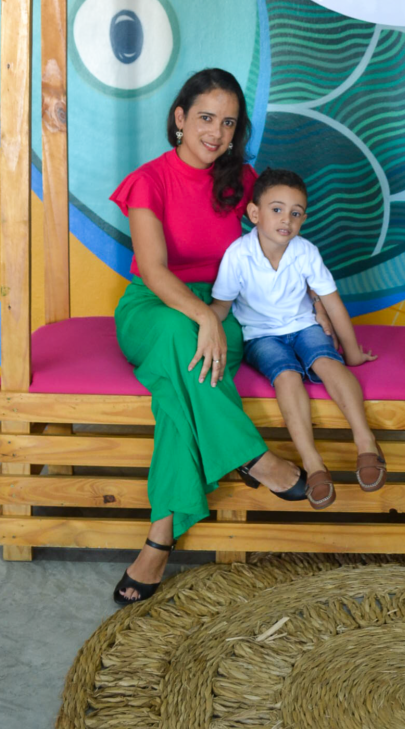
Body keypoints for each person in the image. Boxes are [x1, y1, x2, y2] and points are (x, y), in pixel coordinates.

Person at [110, 70, 308, 606]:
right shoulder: (148, 180)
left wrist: (309, 303)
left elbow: (279, 243)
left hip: (224, 308)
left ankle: (159, 541)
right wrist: (203, 317)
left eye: (228, 123)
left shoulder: (243, 180)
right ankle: (251, 456)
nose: (216, 132)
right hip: (156, 307)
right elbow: (153, 269)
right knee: (181, 337)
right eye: (205, 118)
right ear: (179, 118)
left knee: (176, 396)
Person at [211, 167, 387, 511]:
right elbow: (221, 305)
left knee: (327, 362)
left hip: (304, 326)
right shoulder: (238, 254)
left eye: (296, 213)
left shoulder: (305, 252)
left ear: (304, 219)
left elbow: (332, 303)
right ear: (254, 214)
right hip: (261, 336)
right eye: (277, 209)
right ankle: (313, 462)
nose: (286, 220)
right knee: (287, 375)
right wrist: (203, 322)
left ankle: (365, 441)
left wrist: (351, 352)